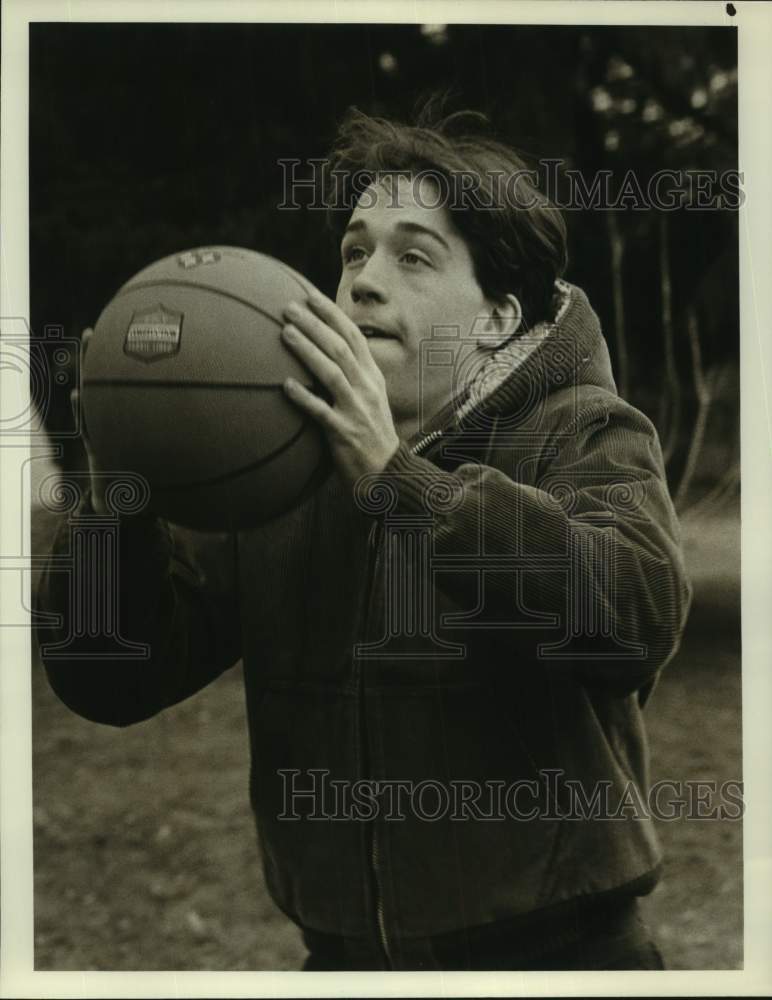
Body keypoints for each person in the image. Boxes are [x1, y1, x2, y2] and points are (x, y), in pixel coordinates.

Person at [35, 105, 691, 971]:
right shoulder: (273, 464)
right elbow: (110, 677)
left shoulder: (580, 431)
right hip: (344, 963)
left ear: (496, 316)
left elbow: (634, 613)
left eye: (413, 255)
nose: (363, 281)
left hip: (561, 956)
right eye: (353, 250)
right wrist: (117, 489)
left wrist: (400, 483)